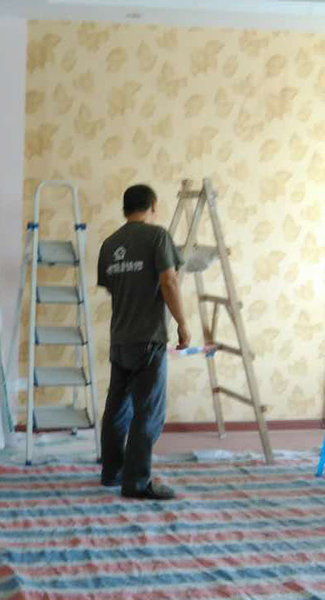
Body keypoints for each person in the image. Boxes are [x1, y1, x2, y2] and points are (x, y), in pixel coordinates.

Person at [96, 184, 190, 500]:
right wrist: (182, 323)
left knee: (117, 409)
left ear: (125, 208)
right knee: (148, 412)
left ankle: (112, 471)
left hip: (120, 339)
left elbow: (114, 287)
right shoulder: (157, 236)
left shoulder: (110, 244)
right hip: (148, 339)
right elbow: (169, 281)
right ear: (153, 205)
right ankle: (136, 483)